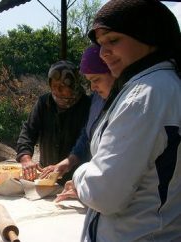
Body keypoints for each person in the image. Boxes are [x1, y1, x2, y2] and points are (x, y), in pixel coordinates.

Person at [56, 0, 181, 241]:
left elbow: (105, 193)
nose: (103, 53)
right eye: (100, 44)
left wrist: (80, 172)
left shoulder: (144, 96)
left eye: (113, 40)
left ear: (148, 35)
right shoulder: (166, 85)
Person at [39, 45, 115, 179]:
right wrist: (69, 161)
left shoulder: (126, 103)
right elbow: (87, 135)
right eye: (89, 81)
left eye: (96, 79)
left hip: (100, 180)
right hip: (84, 180)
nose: (92, 87)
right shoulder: (97, 99)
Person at [16, 60, 91, 185]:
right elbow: (28, 132)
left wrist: (68, 163)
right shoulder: (44, 103)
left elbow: (87, 142)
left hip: (77, 180)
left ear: (74, 85)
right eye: (54, 86)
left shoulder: (87, 106)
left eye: (63, 86)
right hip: (47, 177)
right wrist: (26, 158)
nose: (57, 90)